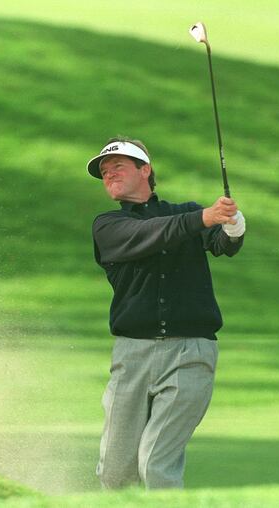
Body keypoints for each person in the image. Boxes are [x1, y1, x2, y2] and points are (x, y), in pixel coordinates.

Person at [86, 137, 245, 489]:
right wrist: (204, 217)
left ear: (145, 170)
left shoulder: (184, 213)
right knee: (115, 473)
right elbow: (151, 233)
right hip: (132, 357)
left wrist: (233, 226)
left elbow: (221, 243)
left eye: (118, 167)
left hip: (191, 353)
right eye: (104, 171)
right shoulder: (108, 226)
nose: (109, 174)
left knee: (156, 463)